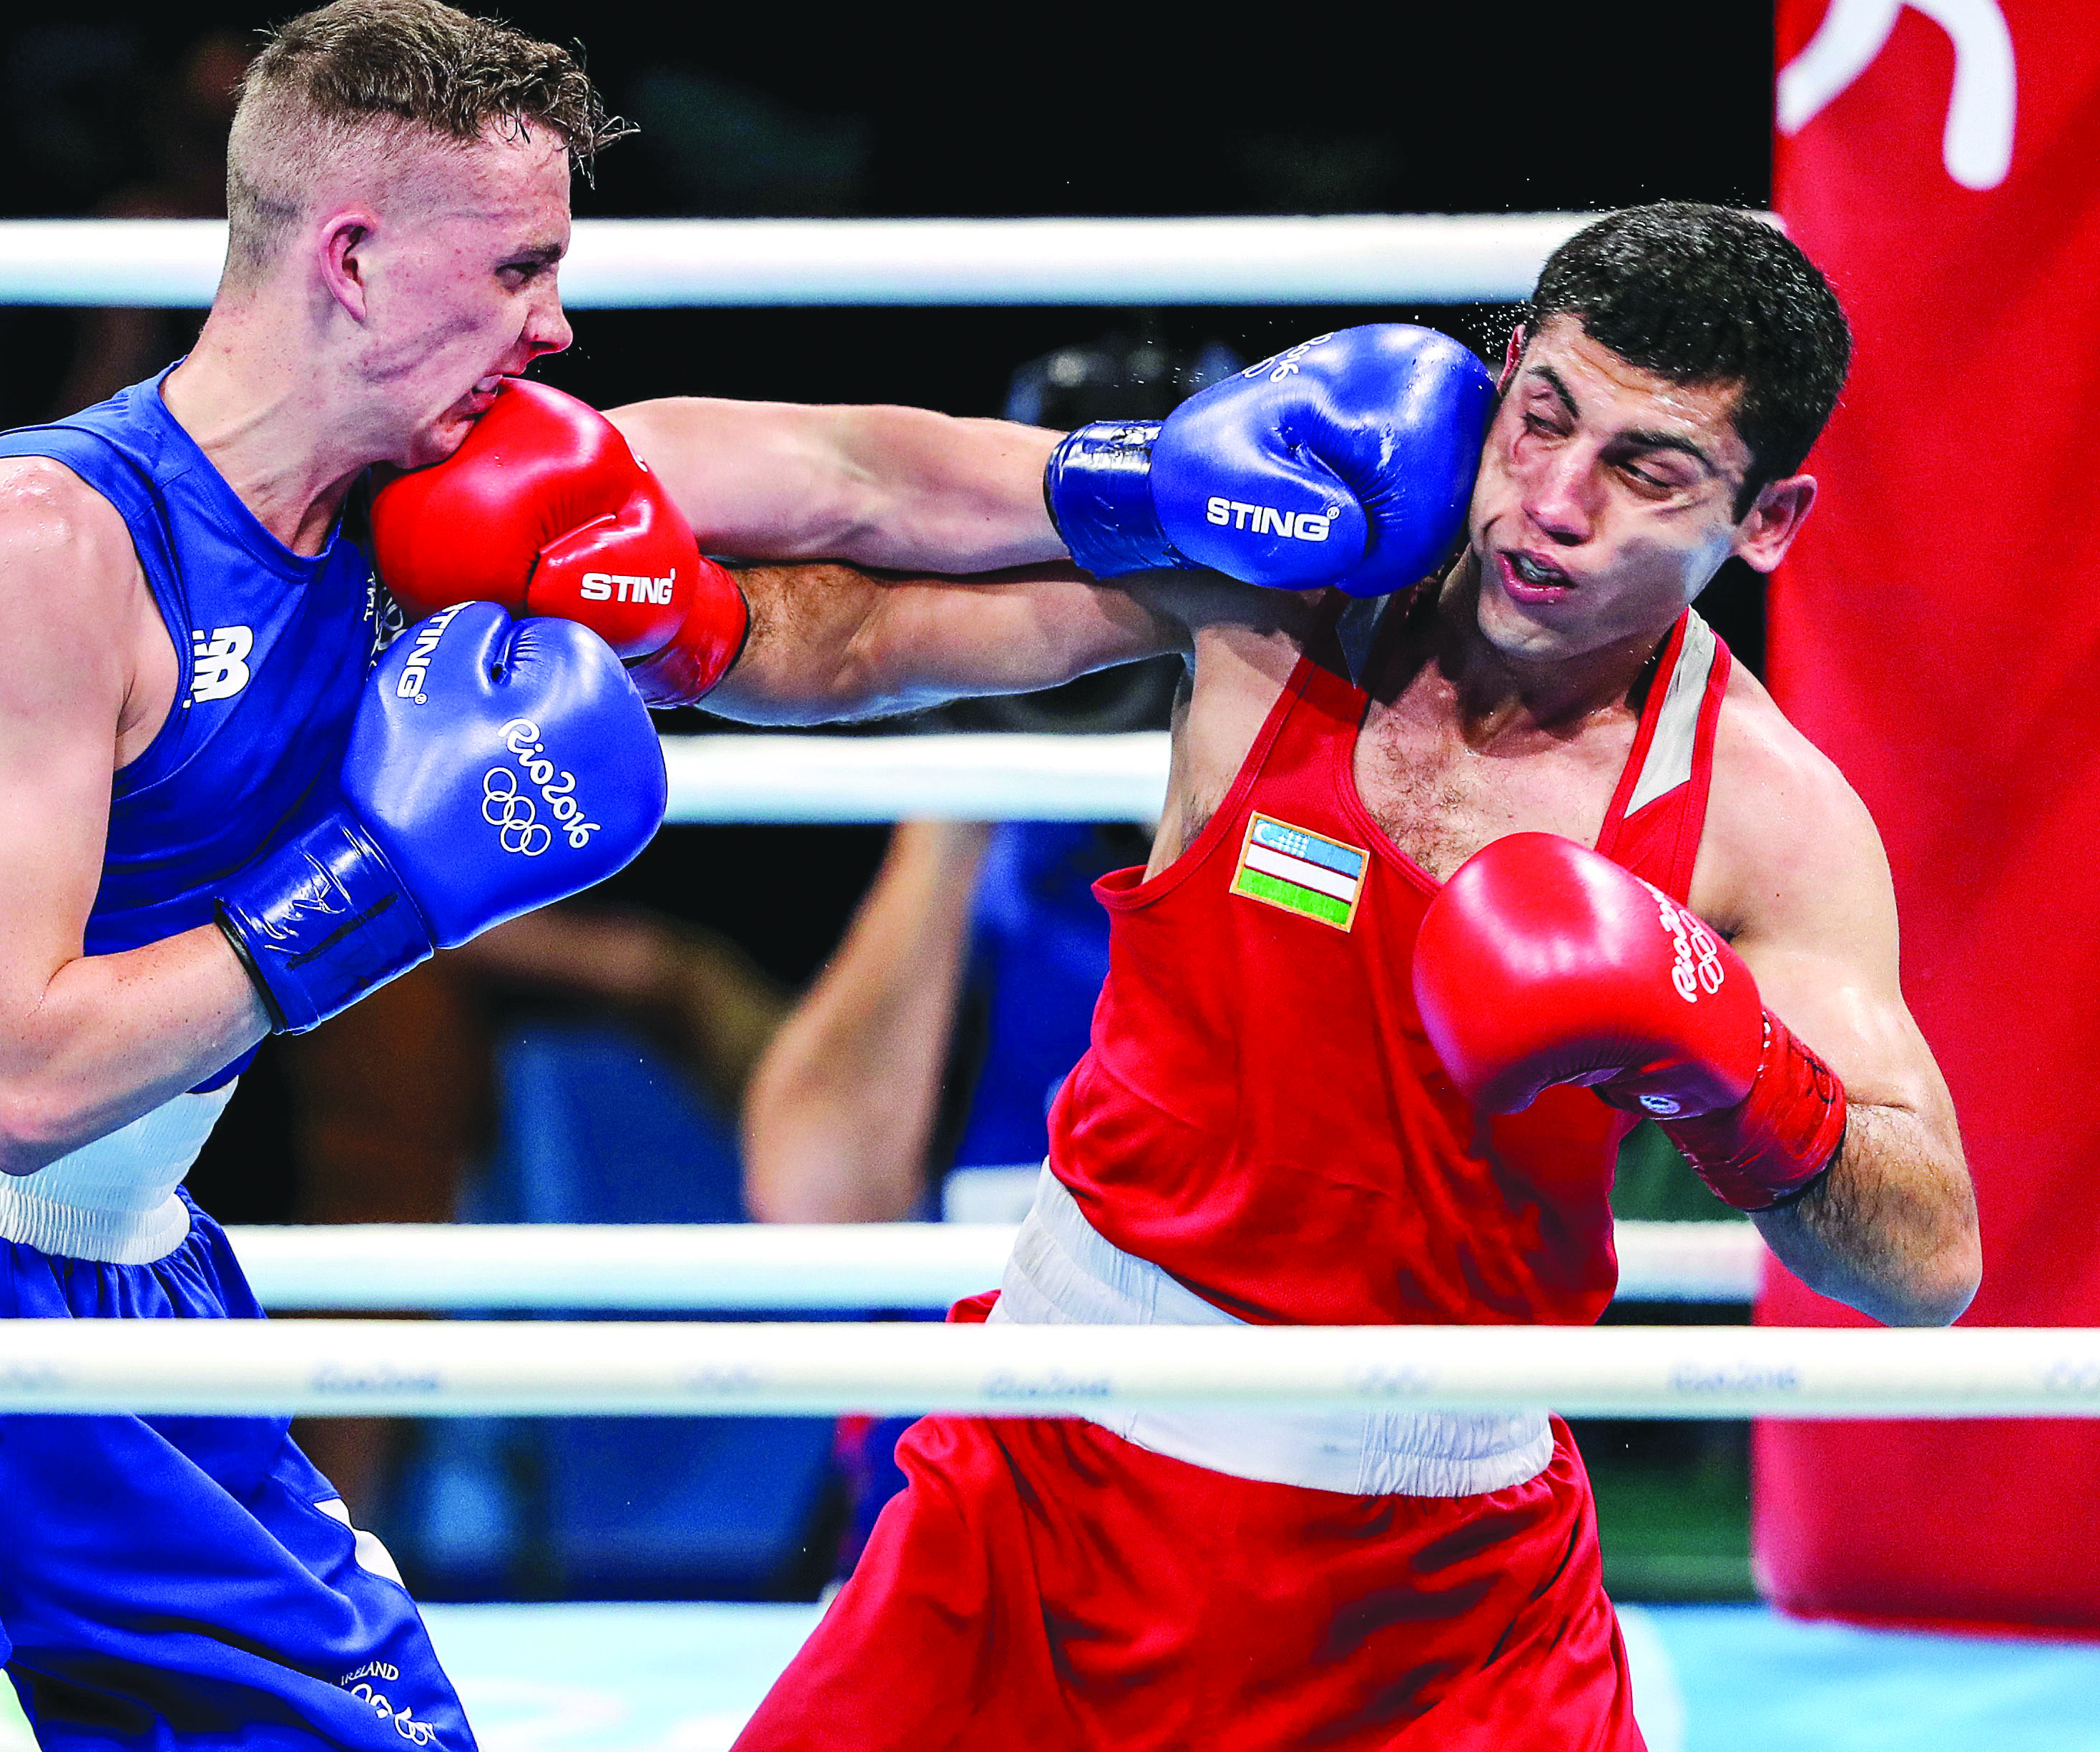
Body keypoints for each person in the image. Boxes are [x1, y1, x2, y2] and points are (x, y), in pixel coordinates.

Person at [371, 202, 1981, 1747]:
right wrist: (650, 616)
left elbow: (1929, 1258)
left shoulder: (1765, 824)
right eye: (1541, 416)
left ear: (1764, 521)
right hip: (1047, 1477)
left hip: (1434, 1588)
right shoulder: (1293, 582)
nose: (1553, 501)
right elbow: (863, 611)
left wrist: (1725, 1059)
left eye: (1648, 471)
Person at [0, 0, 668, 1752]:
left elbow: (854, 487)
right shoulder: (37, 546)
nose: (554, 328)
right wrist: (382, 885)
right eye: (516, 272)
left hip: (134, 1294)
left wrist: (1133, 499)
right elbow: (22, 1081)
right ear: (351, 256)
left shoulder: (451, 510)